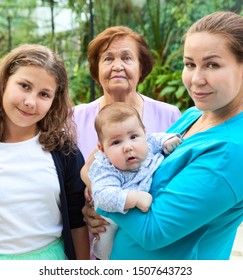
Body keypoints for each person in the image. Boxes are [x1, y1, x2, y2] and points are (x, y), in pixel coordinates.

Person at [82, 11, 243, 259]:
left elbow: (153, 231)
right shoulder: (192, 115)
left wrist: (101, 191)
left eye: (212, 65)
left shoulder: (236, 149)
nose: (196, 79)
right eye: (190, 65)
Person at [0, 44, 90, 260]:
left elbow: (78, 225)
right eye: (24, 86)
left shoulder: (65, 152)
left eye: (44, 94)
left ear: (54, 101)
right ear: (4, 83)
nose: (30, 102)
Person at [72, 25, 181, 259]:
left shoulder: (169, 116)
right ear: (96, 69)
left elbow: (178, 182)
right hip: (93, 243)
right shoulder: (73, 120)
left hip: (149, 245)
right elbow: (64, 187)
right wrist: (83, 212)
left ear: (141, 67)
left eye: (127, 57)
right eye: (108, 58)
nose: (117, 65)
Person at [87, 102, 181, 259]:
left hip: (152, 219)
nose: (128, 147)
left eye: (133, 137)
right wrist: (134, 198)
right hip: (115, 218)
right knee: (106, 239)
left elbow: (158, 138)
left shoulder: (149, 141)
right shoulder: (106, 167)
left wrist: (168, 141)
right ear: (102, 149)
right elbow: (103, 196)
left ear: (144, 133)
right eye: (116, 142)